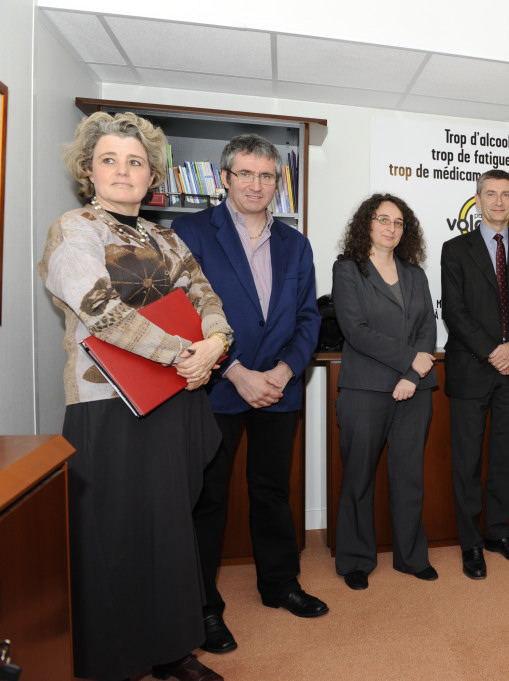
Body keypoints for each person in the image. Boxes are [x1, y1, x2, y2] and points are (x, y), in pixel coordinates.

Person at [38, 111, 228, 681]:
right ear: (89, 172)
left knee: (169, 531)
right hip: (106, 405)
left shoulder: (166, 236)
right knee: (112, 535)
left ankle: (173, 650)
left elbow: (207, 297)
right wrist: (180, 352)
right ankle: (112, 661)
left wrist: (215, 344)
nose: (123, 171)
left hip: (176, 398)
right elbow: (99, 310)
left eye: (136, 162)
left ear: (152, 177)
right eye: (109, 160)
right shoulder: (74, 229)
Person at [173, 134, 325, 655]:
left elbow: (309, 318)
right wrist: (234, 370)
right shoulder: (191, 231)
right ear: (225, 178)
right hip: (216, 389)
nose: (256, 185)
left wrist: (284, 372)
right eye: (246, 174)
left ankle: (279, 584)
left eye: (266, 176)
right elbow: (185, 314)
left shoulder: (295, 243)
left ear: (277, 182)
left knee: (272, 492)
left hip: (279, 391)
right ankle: (202, 607)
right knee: (208, 498)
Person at [440, 169, 509, 580]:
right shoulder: (455, 249)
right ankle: (470, 543)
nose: (499, 201)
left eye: (506, 195)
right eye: (491, 194)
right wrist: (492, 351)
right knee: (466, 462)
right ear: (478, 199)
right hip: (471, 369)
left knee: (506, 460)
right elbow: (455, 311)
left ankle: (498, 534)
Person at [332, 194, 439, 590]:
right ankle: (356, 559)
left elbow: (428, 326)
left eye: (398, 222)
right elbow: (355, 330)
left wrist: (413, 373)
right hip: (365, 388)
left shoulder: (415, 274)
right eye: (383, 219)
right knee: (358, 476)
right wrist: (412, 359)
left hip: (416, 388)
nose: (391, 228)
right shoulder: (347, 270)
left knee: (409, 476)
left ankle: (411, 557)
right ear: (367, 224)